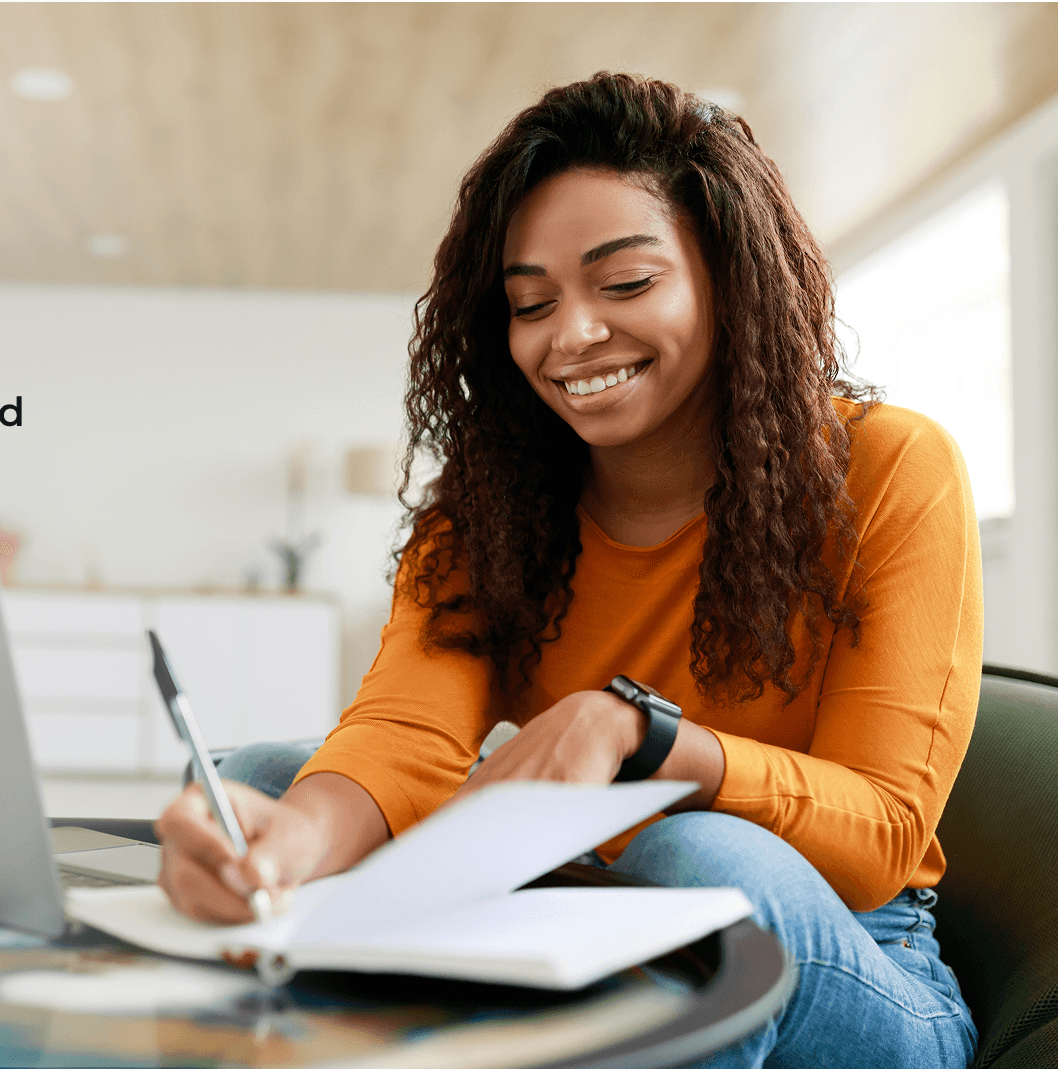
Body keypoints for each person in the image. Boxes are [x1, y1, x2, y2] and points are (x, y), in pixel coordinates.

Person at [155, 72, 981, 1069]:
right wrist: (281, 855)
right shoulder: (492, 502)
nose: (571, 335)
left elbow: (881, 833)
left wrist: (639, 734)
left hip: (853, 957)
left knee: (695, 856)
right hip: (582, 900)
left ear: (731, 276)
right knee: (267, 781)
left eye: (625, 283)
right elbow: (404, 733)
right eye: (529, 302)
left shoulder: (893, 467)